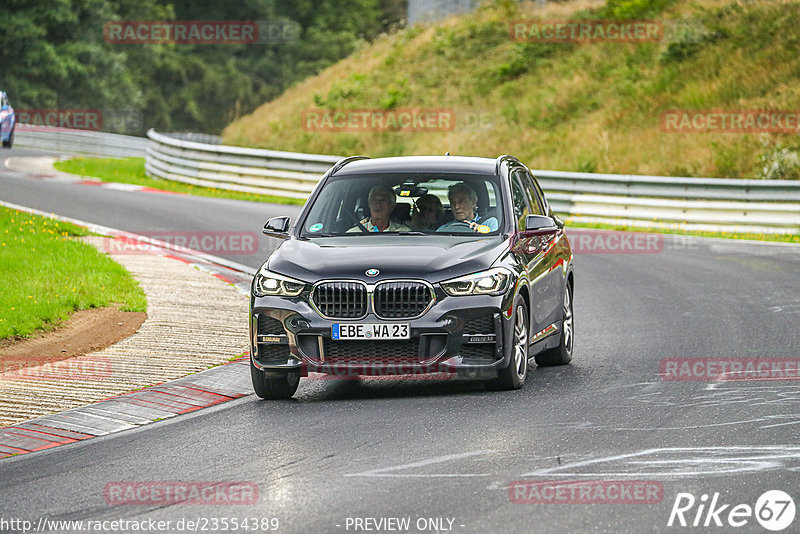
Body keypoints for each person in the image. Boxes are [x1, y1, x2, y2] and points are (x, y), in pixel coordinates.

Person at [347, 184, 412, 233]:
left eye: (383, 200)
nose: (378, 204)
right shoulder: (354, 234)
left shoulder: (404, 233)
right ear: (369, 204)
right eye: (374, 200)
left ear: (392, 206)